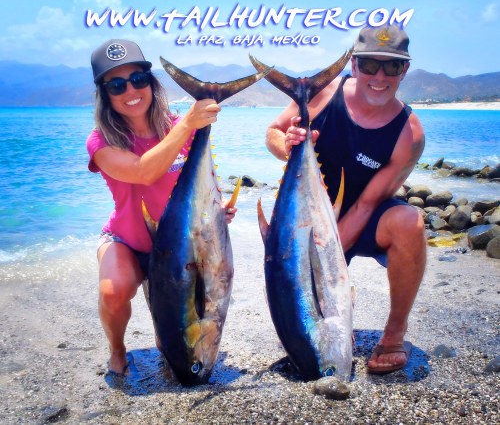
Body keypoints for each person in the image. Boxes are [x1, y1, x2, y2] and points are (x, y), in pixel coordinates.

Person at [265, 25, 426, 374]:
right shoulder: (322, 93)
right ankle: (335, 322)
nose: (379, 77)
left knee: (409, 223)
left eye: (392, 66)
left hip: (362, 219)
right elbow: (273, 133)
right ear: (354, 65)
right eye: (369, 65)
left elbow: (367, 204)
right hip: (305, 214)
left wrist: (322, 266)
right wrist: (288, 145)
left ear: (405, 70)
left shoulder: (409, 133)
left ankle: (394, 335)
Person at [87, 39, 236, 375]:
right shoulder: (100, 141)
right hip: (128, 241)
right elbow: (143, 172)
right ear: (104, 94)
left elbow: (204, 181)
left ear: (150, 82)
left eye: (138, 79)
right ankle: (117, 349)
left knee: (174, 347)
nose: (130, 90)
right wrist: (188, 124)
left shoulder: (179, 126)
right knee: (113, 291)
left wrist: (216, 211)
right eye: (116, 85)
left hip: (178, 246)